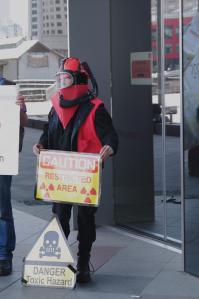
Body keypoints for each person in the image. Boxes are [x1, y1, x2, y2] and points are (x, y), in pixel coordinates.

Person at [33, 57, 118, 283]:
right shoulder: (56, 105)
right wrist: (41, 144)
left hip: (84, 176)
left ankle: (83, 263)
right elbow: (47, 131)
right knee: (60, 218)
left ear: (79, 80)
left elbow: (110, 134)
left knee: (85, 220)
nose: (62, 83)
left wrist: (109, 147)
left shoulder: (95, 108)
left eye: (66, 78)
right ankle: (58, 261)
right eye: (59, 78)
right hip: (61, 174)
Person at [0, 77, 27, 276]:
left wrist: (19, 108)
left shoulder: (8, 88)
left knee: (1, 205)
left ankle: (3, 255)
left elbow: (23, 121)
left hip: (2, 156)